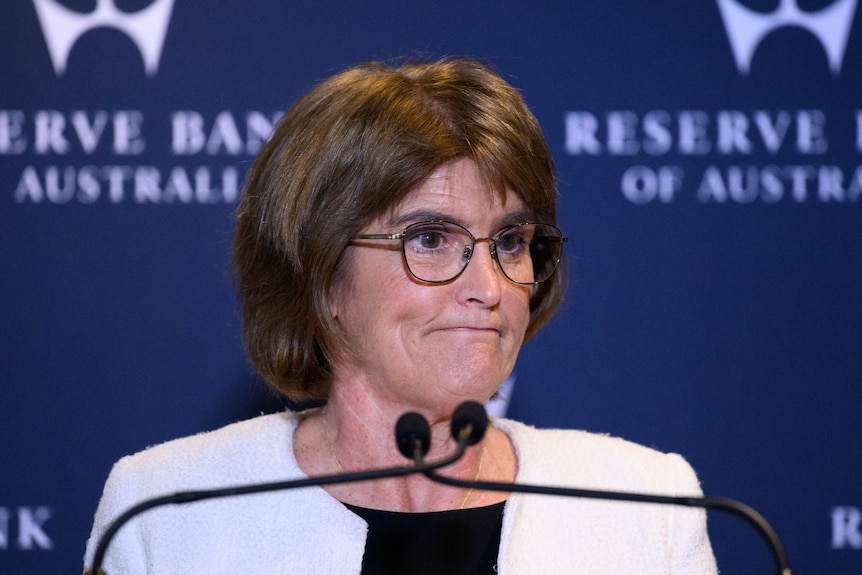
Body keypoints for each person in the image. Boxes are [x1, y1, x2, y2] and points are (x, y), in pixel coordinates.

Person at [84, 58, 717, 574]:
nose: (489, 287)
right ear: (322, 274)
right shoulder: (163, 514)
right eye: (431, 240)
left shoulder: (644, 507)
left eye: (511, 242)